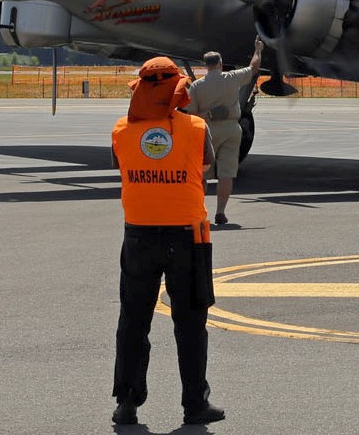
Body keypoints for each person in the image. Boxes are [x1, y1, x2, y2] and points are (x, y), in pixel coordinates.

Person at [109, 57, 224, 426]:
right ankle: (194, 403)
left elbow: (121, 165)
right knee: (190, 323)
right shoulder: (195, 127)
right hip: (187, 235)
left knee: (133, 320)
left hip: (139, 234)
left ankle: (126, 402)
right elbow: (206, 166)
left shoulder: (121, 129)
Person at [186, 37, 263, 226]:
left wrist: (209, 115)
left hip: (206, 130)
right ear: (220, 63)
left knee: (202, 174)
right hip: (231, 129)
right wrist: (258, 50)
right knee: (226, 174)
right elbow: (253, 68)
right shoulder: (232, 78)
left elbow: (191, 113)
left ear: (206, 65)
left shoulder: (197, 86)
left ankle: (199, 211)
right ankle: (221, 211)